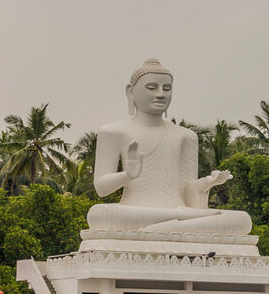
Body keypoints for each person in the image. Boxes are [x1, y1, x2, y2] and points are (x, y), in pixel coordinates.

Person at [86, 59, 252, 235]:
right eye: (152, 87)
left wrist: (205, 184)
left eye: (167, 89)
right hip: (136, 212)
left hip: (180, 210)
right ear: (131, 92)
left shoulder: (186, 136)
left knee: (242, 220)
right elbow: (101, 189)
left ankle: (164, 228)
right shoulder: (114, 132)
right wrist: (128, 175)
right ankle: (176, 226)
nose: (160, 94)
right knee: (100, 214)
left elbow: (188, 194)